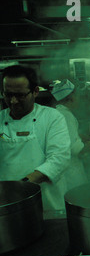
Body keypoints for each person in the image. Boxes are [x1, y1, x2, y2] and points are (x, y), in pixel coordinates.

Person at [0, 65, 71, 215]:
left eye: (20, 95)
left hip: (47, 206)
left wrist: (21, 186)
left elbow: (59, 158)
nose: (13, 101)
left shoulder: (52, 118)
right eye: (8, 94)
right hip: (7, 207)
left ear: (35, 92)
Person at [50, 79, 88, 190]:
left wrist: (79, 137)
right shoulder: (66, 116)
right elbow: (74, 148)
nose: (79, 99)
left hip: (65, 169)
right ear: (71, 98)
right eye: (78, 96)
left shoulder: (58, 113)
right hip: (70, 171)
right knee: (77, 198)